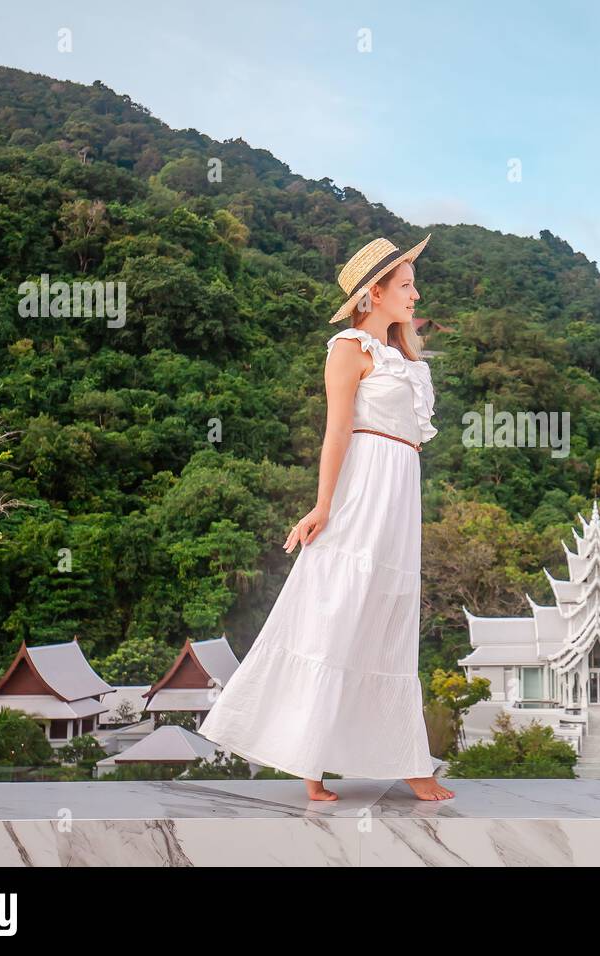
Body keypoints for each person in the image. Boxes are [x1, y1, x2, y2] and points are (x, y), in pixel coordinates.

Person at [198, 233, 454, 802]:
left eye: (413, 284)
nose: (416, 295)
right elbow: (336, 431)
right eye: (406, 285)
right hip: (362, 489)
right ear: (374, 292)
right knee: (338, 606)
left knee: (389, 616)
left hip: (400, 491)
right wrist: (322, 506)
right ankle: (307, 760)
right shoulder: (349, 348)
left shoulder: (406, 357)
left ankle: (404, 756)